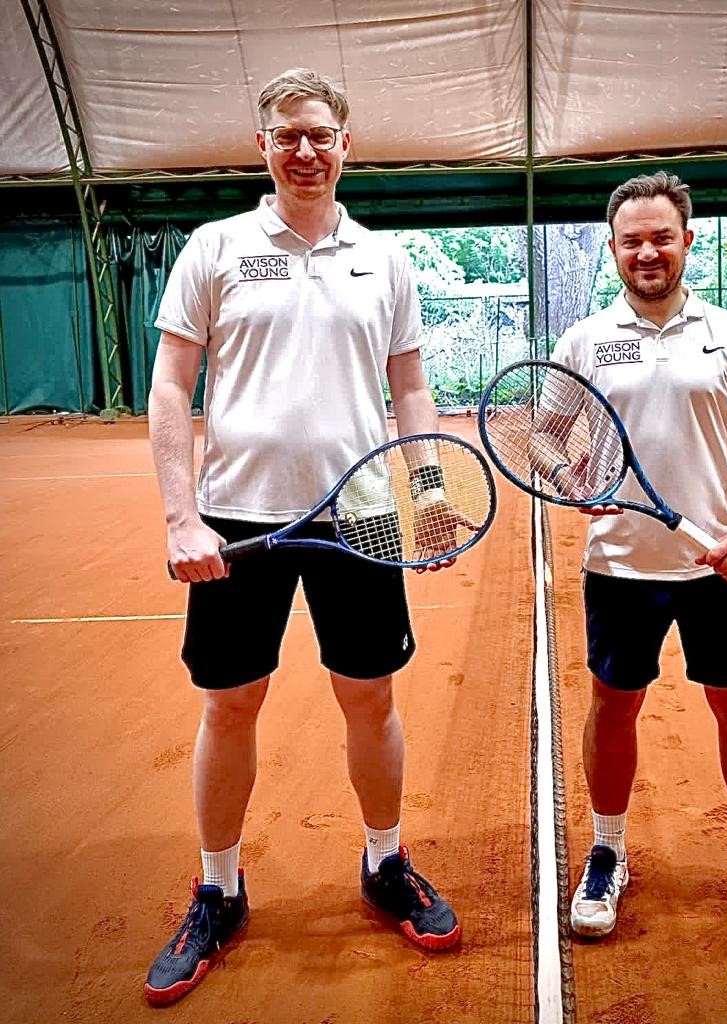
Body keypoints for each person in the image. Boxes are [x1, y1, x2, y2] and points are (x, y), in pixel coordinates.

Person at [144, 68, 462, 1007]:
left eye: (321, 134)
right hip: (240, 516)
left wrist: (429, 495)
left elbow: (409, 390)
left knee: (370, 697)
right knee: (230, 704)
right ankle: (219, 887)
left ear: (346, 144)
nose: (305, 150)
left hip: (360, 510)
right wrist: (179, 513)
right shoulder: (216, 247)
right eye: (287, 135)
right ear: (263, 146)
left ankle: (383, 863)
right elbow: (172, 385)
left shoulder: (385, 259)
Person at [552, 171, 727, 952]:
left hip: (721, 569)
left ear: (686, 240)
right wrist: (569, 474)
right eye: (631, 239)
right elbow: (541, 435)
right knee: (614, 708)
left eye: (660, 236)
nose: (646, 250)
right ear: (612, 249)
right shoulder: (584, 340)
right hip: (618, 570)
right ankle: (607, 850)